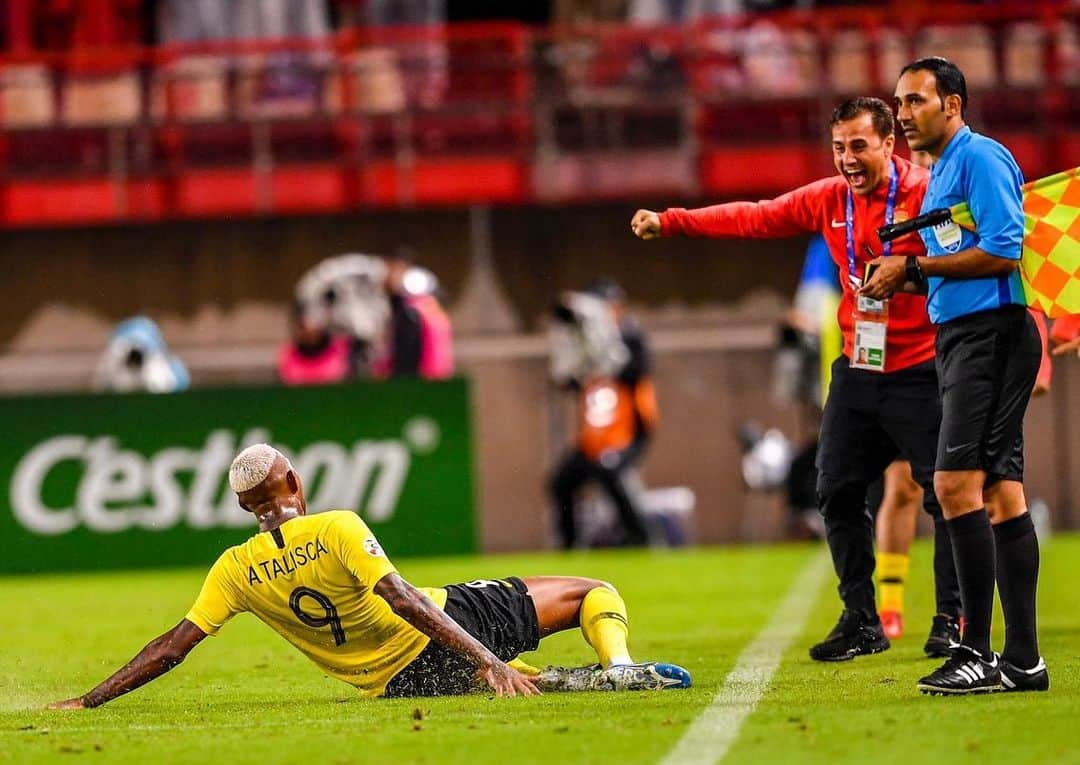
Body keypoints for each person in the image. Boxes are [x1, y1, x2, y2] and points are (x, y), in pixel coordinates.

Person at [631, 96, 962, 662]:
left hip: (921, 370)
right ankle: (861, 619)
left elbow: (974, 266)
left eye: (859, 145)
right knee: (834, 489)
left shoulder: (931, 195)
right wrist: (673, 221)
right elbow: (757, 215)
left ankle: (953, 619)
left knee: (946, 496)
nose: (848, 160)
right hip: (858, 371)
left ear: (889, 143)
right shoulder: (830, 200)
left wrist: (908, 276)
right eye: (838, 148)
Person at [48, 444, 690, 709]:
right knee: (592, 592)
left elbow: (172, 648)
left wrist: (86, 699)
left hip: (397, 684)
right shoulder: (336, 526)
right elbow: (403, 599)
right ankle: (615, 665)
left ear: (245, 507)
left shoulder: (234, 568)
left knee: (506, 677)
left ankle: (543, 681)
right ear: (296, 482)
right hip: (447, 631)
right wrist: (484, 655)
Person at [863, 56, 1047, 694]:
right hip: (966, 337)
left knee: (952, 483)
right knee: (999, 492)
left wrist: (911, 270)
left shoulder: (980, 159)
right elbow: (960, 252)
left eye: (915, 101)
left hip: (989, 335)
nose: (904, 114)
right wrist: (911, 272)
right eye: (899, 103)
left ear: (953, 105)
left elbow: (1004, 248)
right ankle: (1022, 661)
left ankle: (975, 649)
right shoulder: (944, 173)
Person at [548, 279, 657, 549]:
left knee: (613, 476)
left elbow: (627, 369)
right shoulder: (585, 343)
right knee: (561, 481)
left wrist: (598, 344)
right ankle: (568, 545)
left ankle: (641, 541)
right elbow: (567, 380)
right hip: (593, 435)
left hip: (626, 431)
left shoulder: (630, 338)